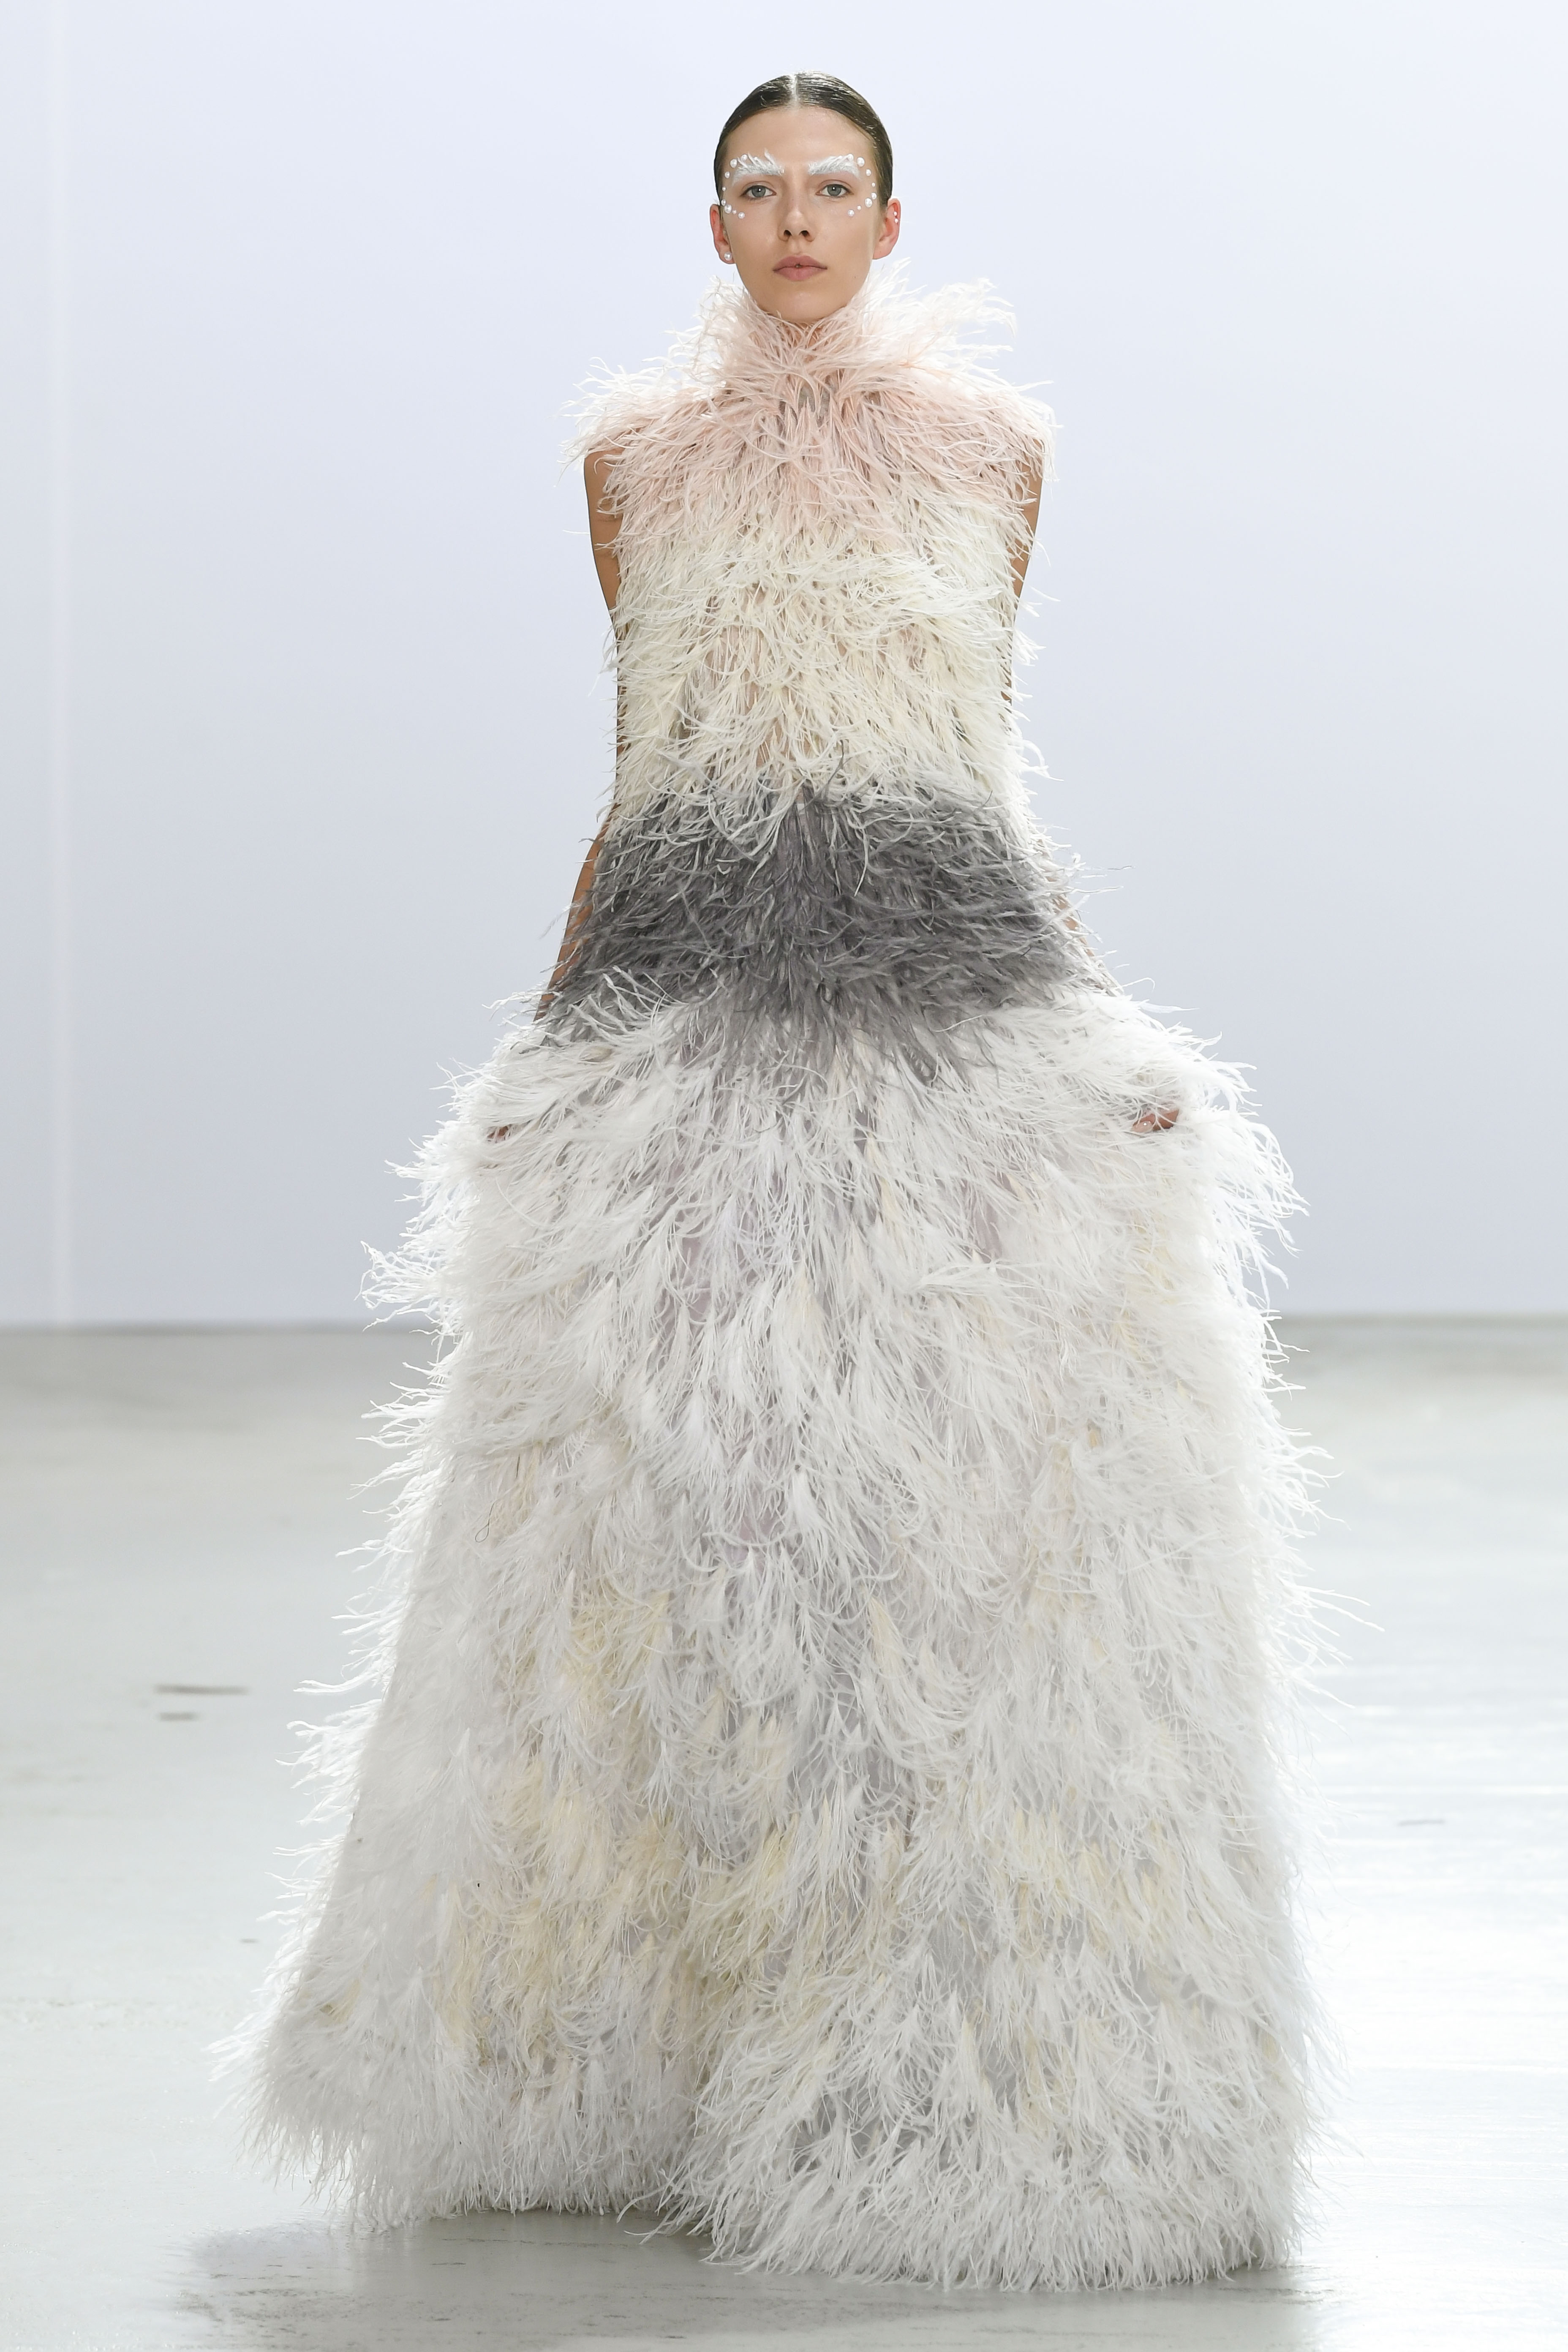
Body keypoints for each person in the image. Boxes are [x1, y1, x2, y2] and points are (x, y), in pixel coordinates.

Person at [231, 71, 1315, 2290]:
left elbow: (981, 756)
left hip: (949, 997)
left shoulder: (998, 454)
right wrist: (551, 1035)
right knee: (666, 1517)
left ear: (890, 221)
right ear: (714, 223)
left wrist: (1099, 1027)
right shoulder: (632, 462)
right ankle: (626, 2055)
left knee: (944, 1526)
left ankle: (960, 2044)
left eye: (833, 188)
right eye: (760, 189)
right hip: (688, 1004)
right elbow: (645, 763)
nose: (798, 218)